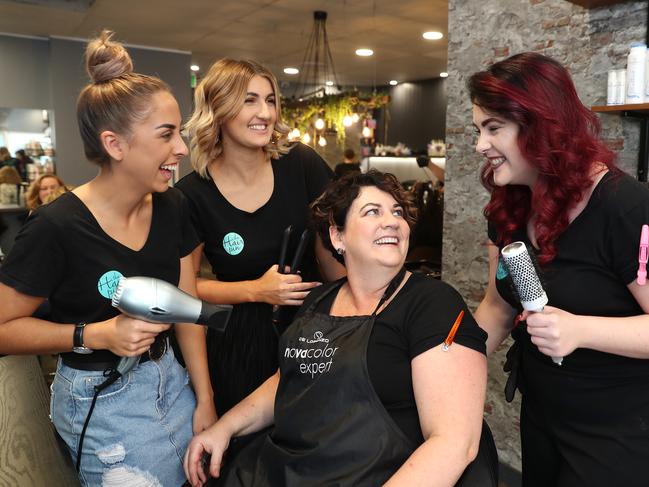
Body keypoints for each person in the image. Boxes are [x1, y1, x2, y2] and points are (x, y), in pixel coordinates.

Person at [184, 170, 490, 487]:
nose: (392, 221)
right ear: (337, 237)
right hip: (291, 469)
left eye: (397, 212)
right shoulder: (318, 300)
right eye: (373, 211)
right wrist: (225, 428)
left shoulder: (432, 305)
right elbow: (289, 379)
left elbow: (454, 443)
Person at [0, 30, 209, 486]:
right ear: (115, 145)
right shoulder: (56, 227)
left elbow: (187, 309)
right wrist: (95, 334)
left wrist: (206, 399)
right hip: (101, 401)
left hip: (172, 380)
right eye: (167, 134)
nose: (182, 149)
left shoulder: (172, 207)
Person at [471, 52, 649, 487]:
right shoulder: (510, 205)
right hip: (543, 416)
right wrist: (444, 361)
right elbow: (496, 308)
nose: (480, 145)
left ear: (540, 125)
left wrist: (581, 330)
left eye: (494, 128)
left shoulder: (625, 208)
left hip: (617, 433)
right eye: (478, 130)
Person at [176, 58, 343, 417]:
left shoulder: (301, 164)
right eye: (249, 100)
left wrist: (358, 313)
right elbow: (185, 290)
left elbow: (333, 253)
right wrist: (254, 289)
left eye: (270, 100)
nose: (265, 112)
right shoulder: (192, 194)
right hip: (239, 344)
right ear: (218, 109)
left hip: (309, 332)